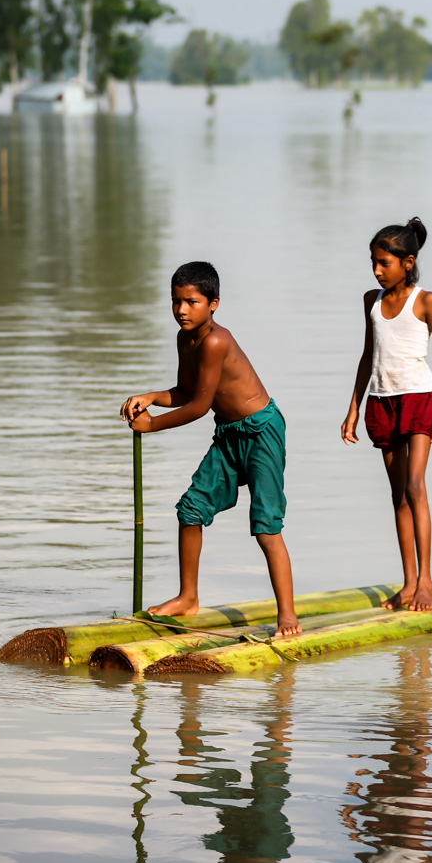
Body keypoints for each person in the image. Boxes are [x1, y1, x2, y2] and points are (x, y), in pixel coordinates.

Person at [120, 261, 300, 638]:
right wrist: (150, 396)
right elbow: (188, 391)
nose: (181, 310)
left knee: (266, 528)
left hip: (262, 431)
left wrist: (152, 424)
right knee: (191, 509)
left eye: (191, 302)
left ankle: (287, 616)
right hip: (229, 433)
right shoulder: (185, 340)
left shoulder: (217, 340)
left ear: (213, 304)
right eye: (176, 301)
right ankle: (188, 597)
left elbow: (200, 407)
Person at [341, 218, 432, 612]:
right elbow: (367, 355)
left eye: (383, 263)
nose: (376, 269)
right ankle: (408, 583)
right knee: (397, 494)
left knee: (415, 487)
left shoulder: (426, 301)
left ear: (407, 262)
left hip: (420, 399)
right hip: (382, 401)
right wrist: (353, 409)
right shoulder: (370, 300)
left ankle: (426, 583)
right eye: (373, 262)